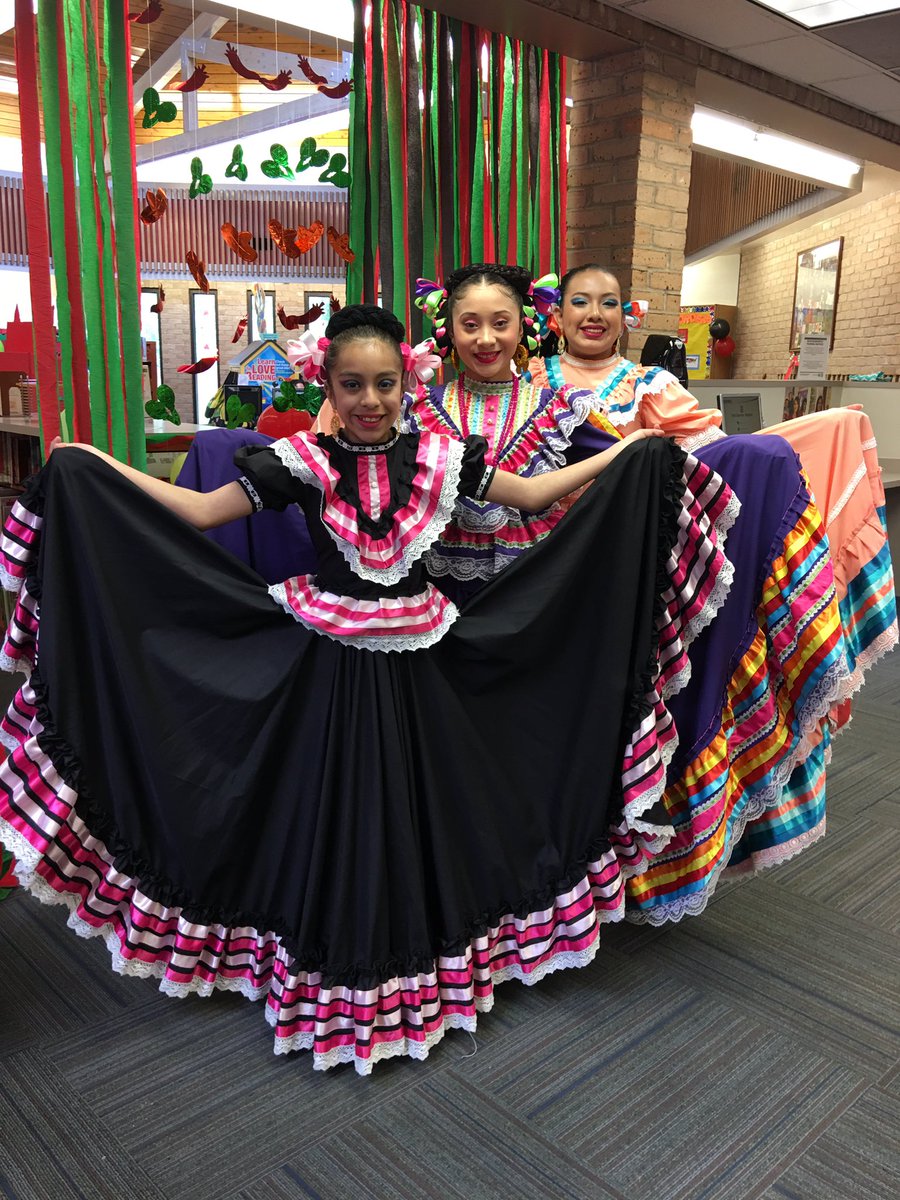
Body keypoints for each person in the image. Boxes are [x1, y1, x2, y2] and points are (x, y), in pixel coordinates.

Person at [0, 304, 735, 1074]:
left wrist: (630, 458)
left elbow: (532, 497)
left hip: (423, 663)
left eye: (385, 382)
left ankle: (415, 965)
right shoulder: (303, 462)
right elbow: (199, 511)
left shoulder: (444, 456)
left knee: (422, 810)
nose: (370, 400)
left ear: (409, 382)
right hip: (323, 662)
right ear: (328, 383)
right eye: (352, 384)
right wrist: (91, 462)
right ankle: (320, 969)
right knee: (324, 810)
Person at [527, 262, 725, 452]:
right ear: (559, 316)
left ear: (622, 319)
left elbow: (709, 453)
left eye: (609, 303)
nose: (595, 314)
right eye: (580, 302)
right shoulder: (531, 380)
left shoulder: (648, 387)